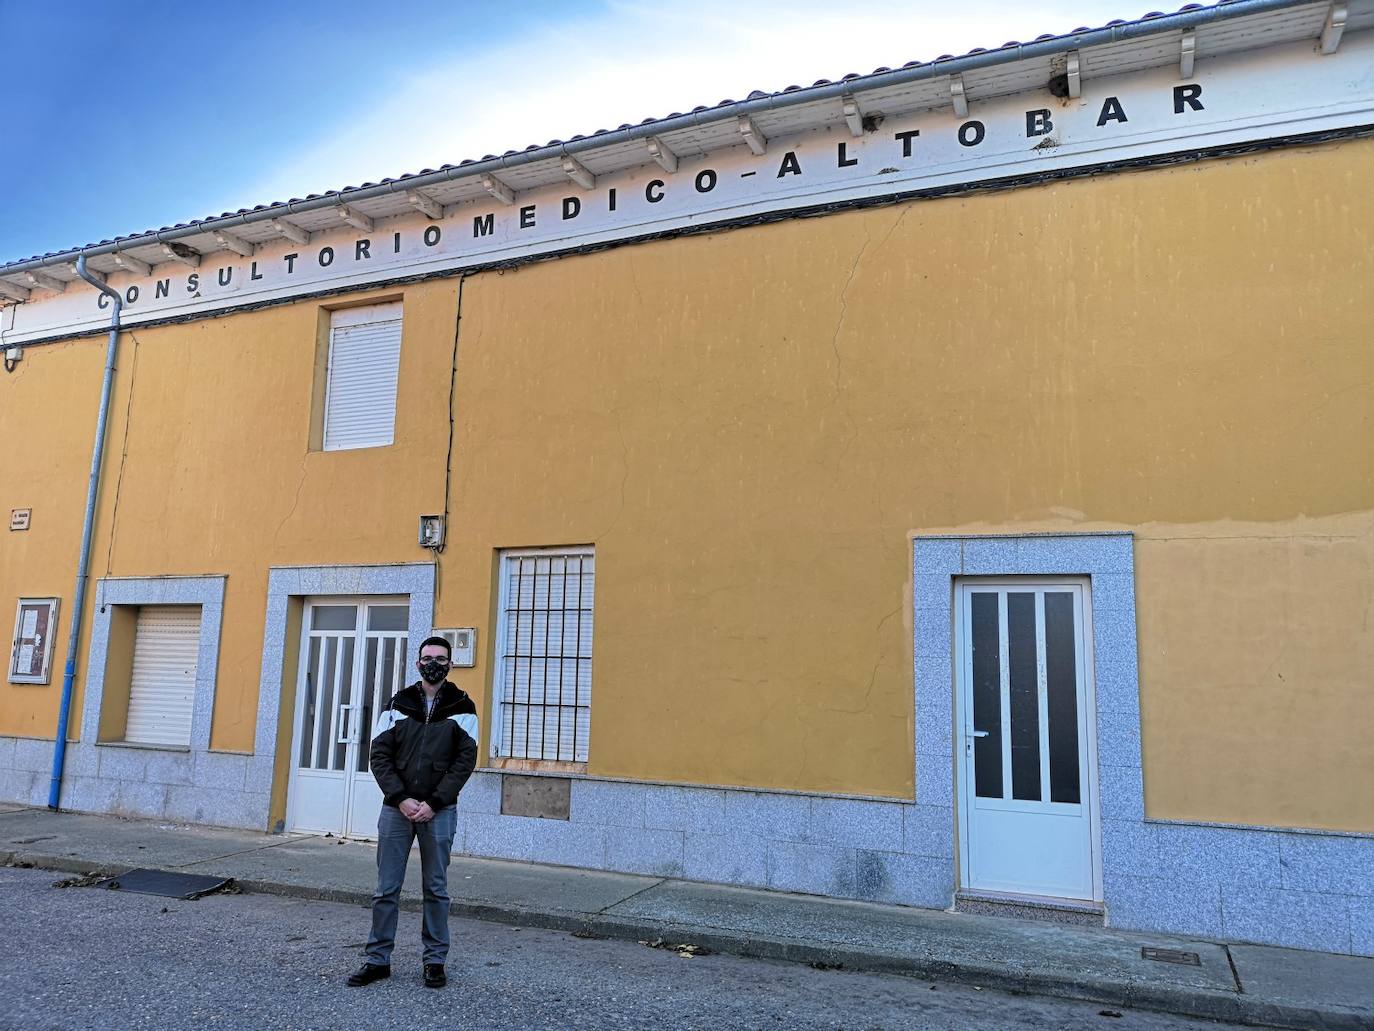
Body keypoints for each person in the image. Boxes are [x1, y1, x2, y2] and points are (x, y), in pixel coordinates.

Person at [346, 635, 478, 990]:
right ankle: (377, 960)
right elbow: (379, 756)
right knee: (385, 888)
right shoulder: (397, 703)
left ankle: (434, 961)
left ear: (450, 664)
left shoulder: (463, 706)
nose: (433, 662)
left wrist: (433, 803)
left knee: (436, 888)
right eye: (427, 657)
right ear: (417, 662)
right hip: (396, 810)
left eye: (440, 657)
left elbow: (465, 762)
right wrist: (402, 798)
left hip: (440, 811)